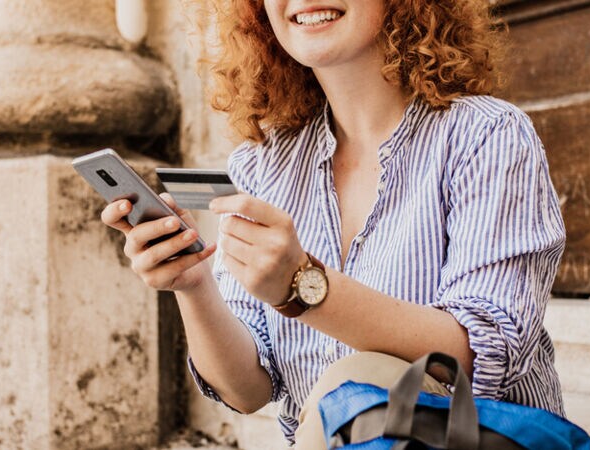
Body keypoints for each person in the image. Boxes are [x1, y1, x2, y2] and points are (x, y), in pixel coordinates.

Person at [99, 0, 565, 447]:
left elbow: (481, 357)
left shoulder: (487, 136)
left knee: (360, 382)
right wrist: (194, 283)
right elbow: (246, 391)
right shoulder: (264, 166)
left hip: (482, 441)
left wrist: (302, 287)